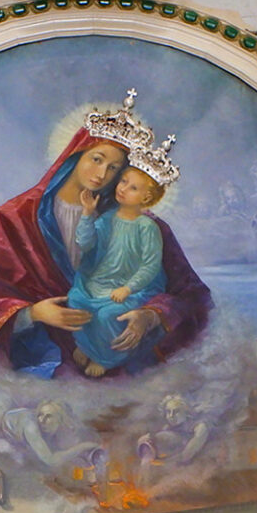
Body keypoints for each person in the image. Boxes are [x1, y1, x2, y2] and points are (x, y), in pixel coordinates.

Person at [0, 91, 210, 377]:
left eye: (114, 169)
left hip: (120, 359)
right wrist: (32, 314)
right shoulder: (14, 218)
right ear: (75, 154)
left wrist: (150, 316)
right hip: (38, 361)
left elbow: (191, 295)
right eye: (96, 159)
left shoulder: (144, 224)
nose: (101, 174)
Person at [68, 152, 174, 377]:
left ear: (146, 197)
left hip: (133, 287)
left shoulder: (147, 227)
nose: (123, 188)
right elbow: (85, 244)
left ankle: (105, 358)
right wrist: (87, 213)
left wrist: (128, 288)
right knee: (76, 300)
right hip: (100, 280)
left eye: (133, 188)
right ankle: (88, 346)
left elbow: (150, 266)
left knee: (108, 315)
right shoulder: (107, 218)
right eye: (123, 181)